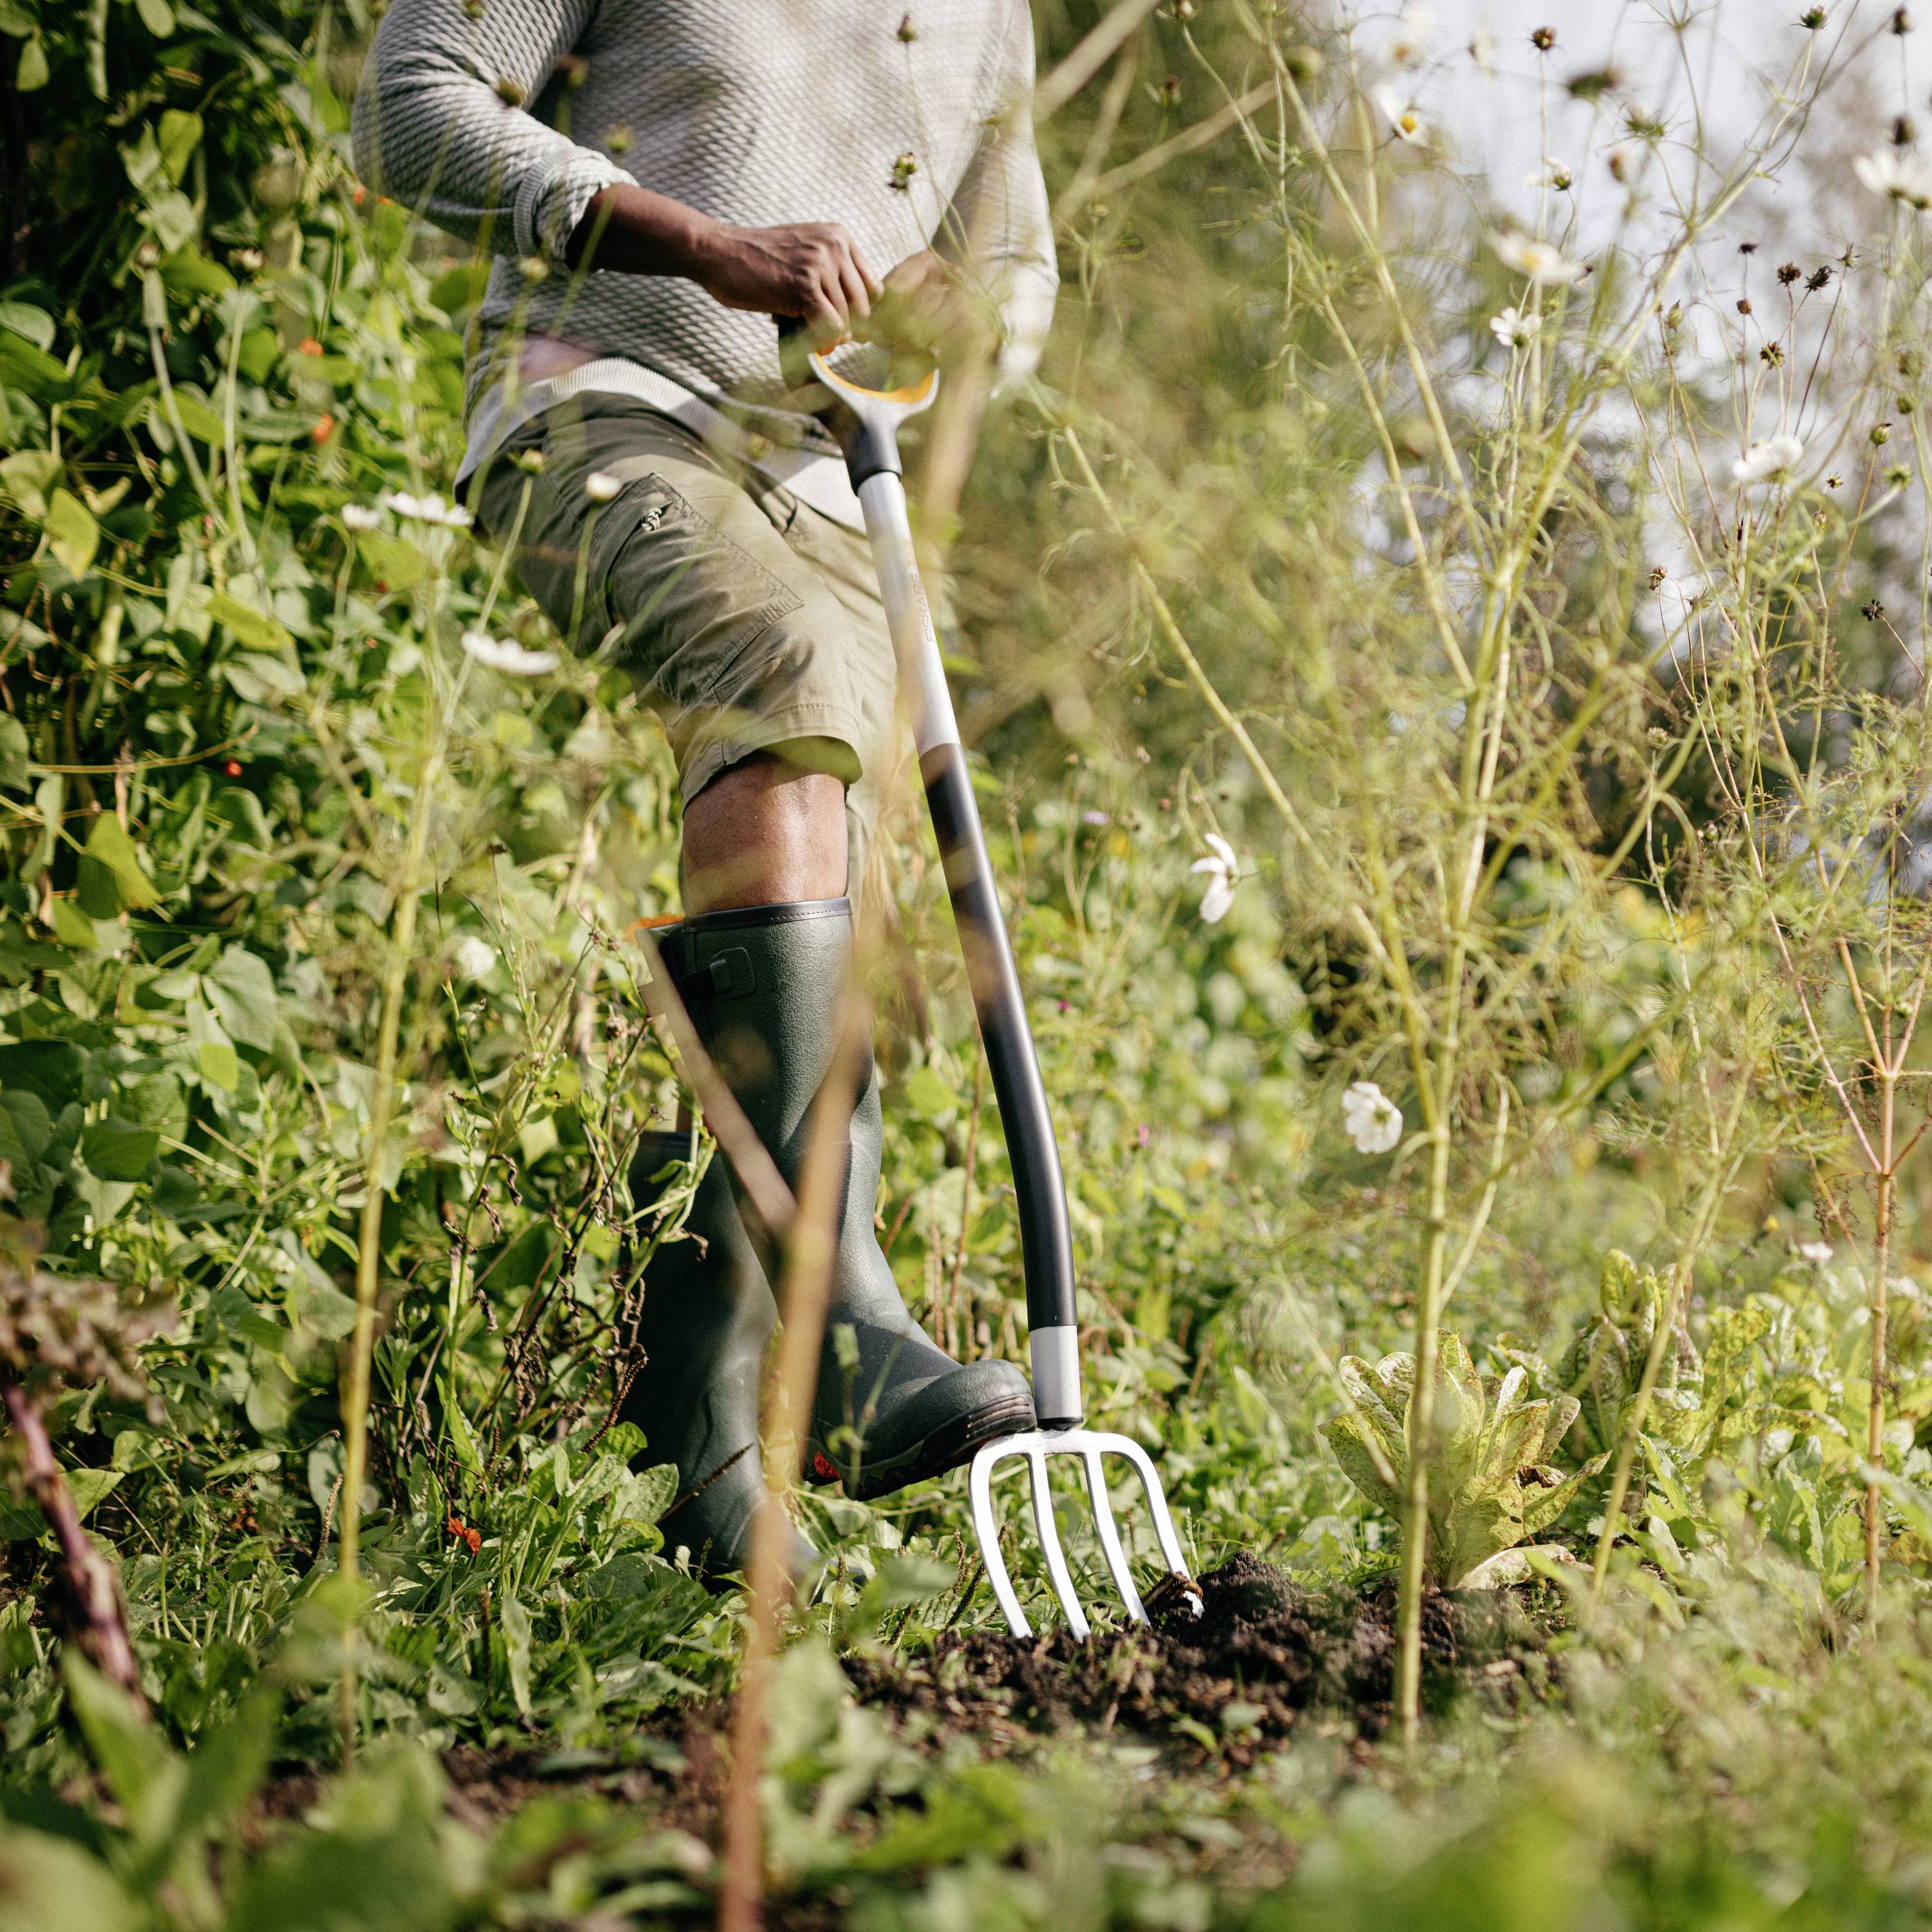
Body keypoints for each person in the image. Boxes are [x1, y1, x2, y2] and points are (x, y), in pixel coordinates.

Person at [352, 0, 1058, 1582]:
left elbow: (1020, 271)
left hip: (829, 480)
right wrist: (702, 246)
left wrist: (962, 314)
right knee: (793, 678)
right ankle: (842, 1318)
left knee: (829, 884)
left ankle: (703, 1449)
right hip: (596, 398)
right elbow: (409, 101)